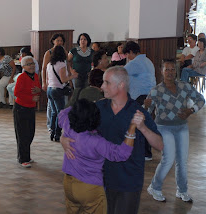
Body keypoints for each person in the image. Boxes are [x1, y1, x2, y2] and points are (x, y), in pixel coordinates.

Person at [61, 66, 163, 214]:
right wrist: (64, 138)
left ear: (121, 85)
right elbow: (75, 124)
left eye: (106, 82)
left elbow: (160, 145)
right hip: (100, 180)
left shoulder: (138, 112)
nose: (102, 87)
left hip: (128, 182)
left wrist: (143, 128)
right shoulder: (99, 107)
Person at [59, 99, 137, 214]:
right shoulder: (96, 142)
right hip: (89, 188)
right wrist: (132, 128)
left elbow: (63, 112)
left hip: (68, 184)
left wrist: (81, 107)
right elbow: (121, 154)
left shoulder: (67, 124)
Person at [145, 59, 205, 203]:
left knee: (182, 161)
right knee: (168, 159)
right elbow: (147, 111)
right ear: (161, 72)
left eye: (172, 69)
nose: (170, 72)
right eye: (167, 69)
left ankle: (182, 190)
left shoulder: (184, 86)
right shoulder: (156, 90)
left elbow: (200, 99)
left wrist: (191, 110)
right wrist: (146, 105)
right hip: (163, 128)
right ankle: (155, 187)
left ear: (176, 71)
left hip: (182, 127)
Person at [123, 41, 156, 160]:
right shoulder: (147, 61)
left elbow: (120, 73)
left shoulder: (136, 63)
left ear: (131, 52)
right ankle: (145, 152)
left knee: (139, 124)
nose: (127, 57)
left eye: (127, 54)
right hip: (150, 96)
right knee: (145, 124)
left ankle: (145, 153)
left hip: (141, 97)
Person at [13, 56, 41, 168]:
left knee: (30, 132)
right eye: (29, 64)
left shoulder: (36, 76)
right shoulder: (21, 77)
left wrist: (39, 91)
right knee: (22, 134)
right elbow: (16, 93)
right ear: (23, 67)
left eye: (33, 63)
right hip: (21, 108)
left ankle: (27, 156)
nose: (32, 66)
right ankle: (22, 158)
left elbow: (38, 88)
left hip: (30, 108)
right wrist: (31, 98)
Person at [47, 46, 77, 142]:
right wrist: (73, 76)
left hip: (50, 89)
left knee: (54, 112)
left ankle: (52, 131)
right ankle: (57, 134)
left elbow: (49, 79)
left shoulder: (49, 64)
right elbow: (63, 79)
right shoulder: (61, 64)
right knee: (61, 113)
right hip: (57, 90)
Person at [41, 33, 66, 131]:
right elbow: (44, 68)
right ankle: (50, 125)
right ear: (53, 41)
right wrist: (44, 82)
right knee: (52, 107)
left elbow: (66, 65)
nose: (59, 42)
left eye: (61, 41)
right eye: (57, 40)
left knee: (58, 107)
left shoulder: (64, 51)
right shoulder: (49, 53)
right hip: (52, 82)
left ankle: (56, 126)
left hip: (61, 83)